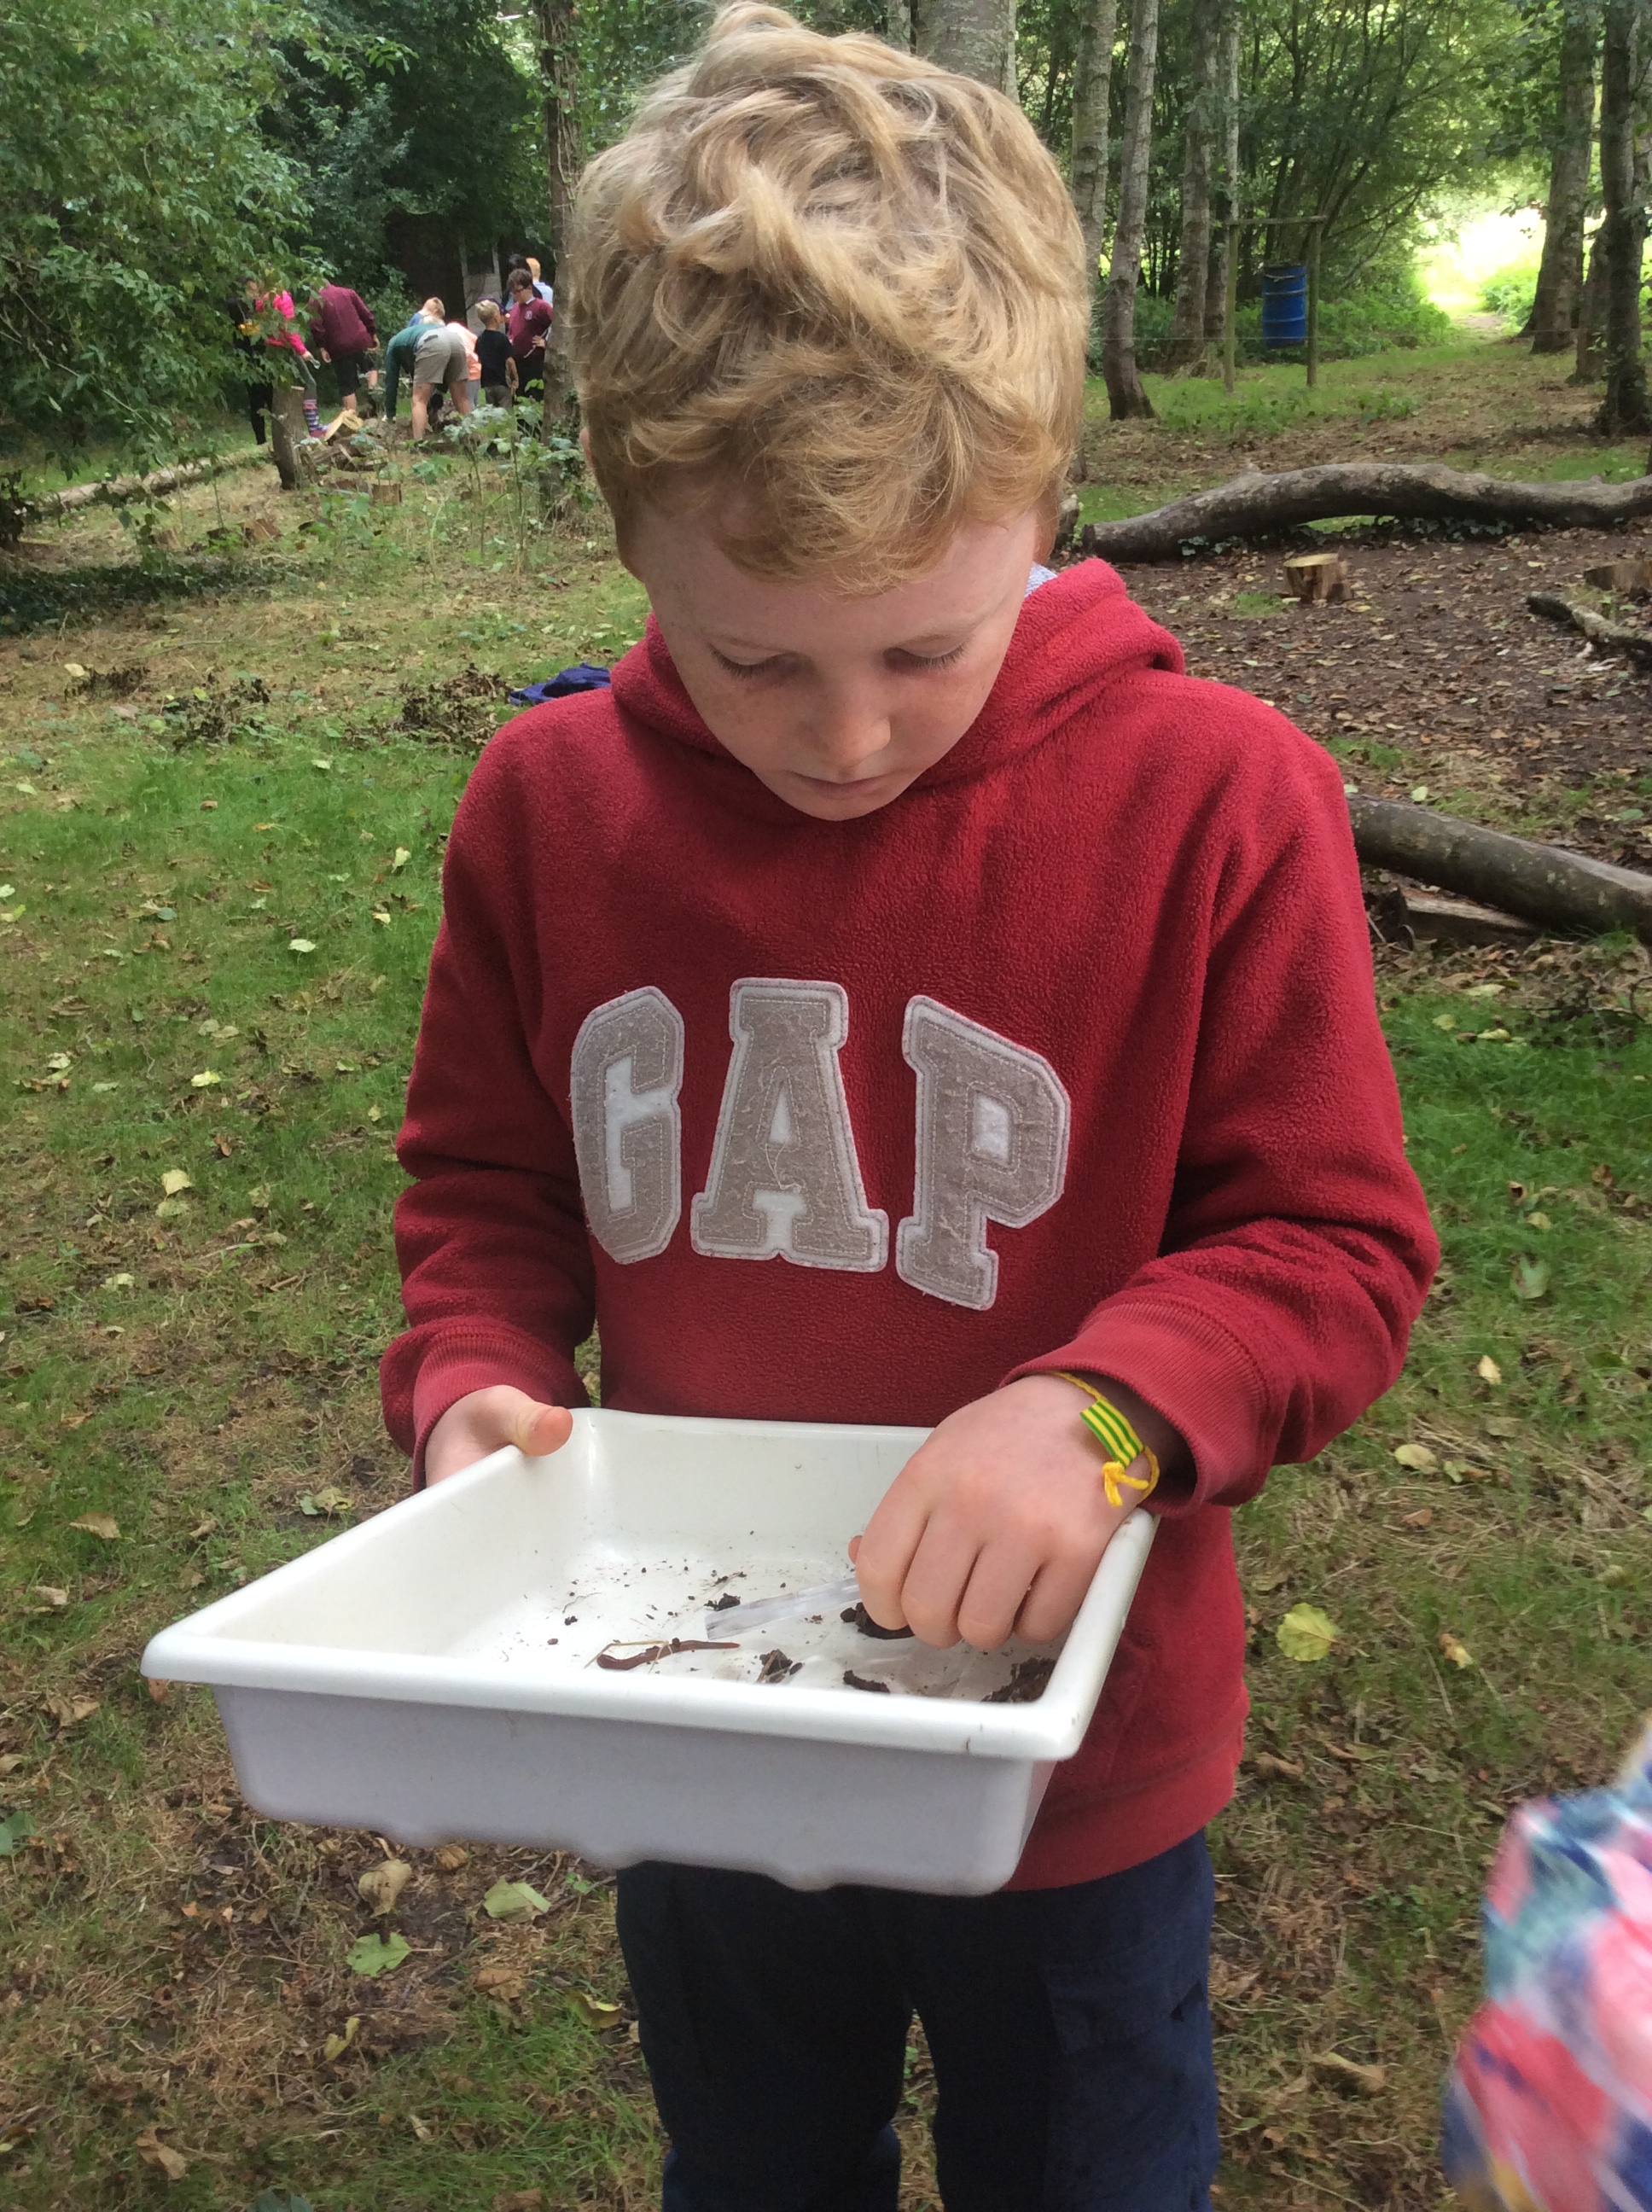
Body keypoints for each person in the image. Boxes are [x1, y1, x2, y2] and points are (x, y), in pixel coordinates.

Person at [381, 9, 1439, 2209]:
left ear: (1042, 506)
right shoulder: (547, 811)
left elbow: (1330, 1245)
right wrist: (472, 1375)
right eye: (753, 659)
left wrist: (1106, 1410)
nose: (844, 737)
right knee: (758, 2161)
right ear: (631, 539)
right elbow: (486, 1184)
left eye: (922, 651)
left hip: (1068, 1760)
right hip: (695, 1713)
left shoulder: (1214, 804)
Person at [308, 280, 379, 410]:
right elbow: (366, 314)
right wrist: (372, 333)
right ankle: (373, 392)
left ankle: (351, 417)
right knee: (371, 368)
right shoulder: (348, 292)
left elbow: (315, 325)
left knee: (347, 387)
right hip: (360, 340)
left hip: (338, 347)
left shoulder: (315, 301)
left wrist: (322, 347)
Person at [504, 265, 552, 399]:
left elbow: (556, 326)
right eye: (513, 292)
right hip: (518, 362)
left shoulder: (541, 307)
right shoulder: (514, 309)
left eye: (518, 291)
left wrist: (546, 342)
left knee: (535, 397)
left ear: (529, 288)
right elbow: (512, 331)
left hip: (535, 362)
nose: (515, 295)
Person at [475, 300, 515, 406]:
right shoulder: (502, 338)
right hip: (502, 382)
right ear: (495, 317)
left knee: (492, 411)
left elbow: (479, 358)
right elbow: (510, 361)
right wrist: (515, 378)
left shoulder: (480, 339)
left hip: (487, 384)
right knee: (505, 412)